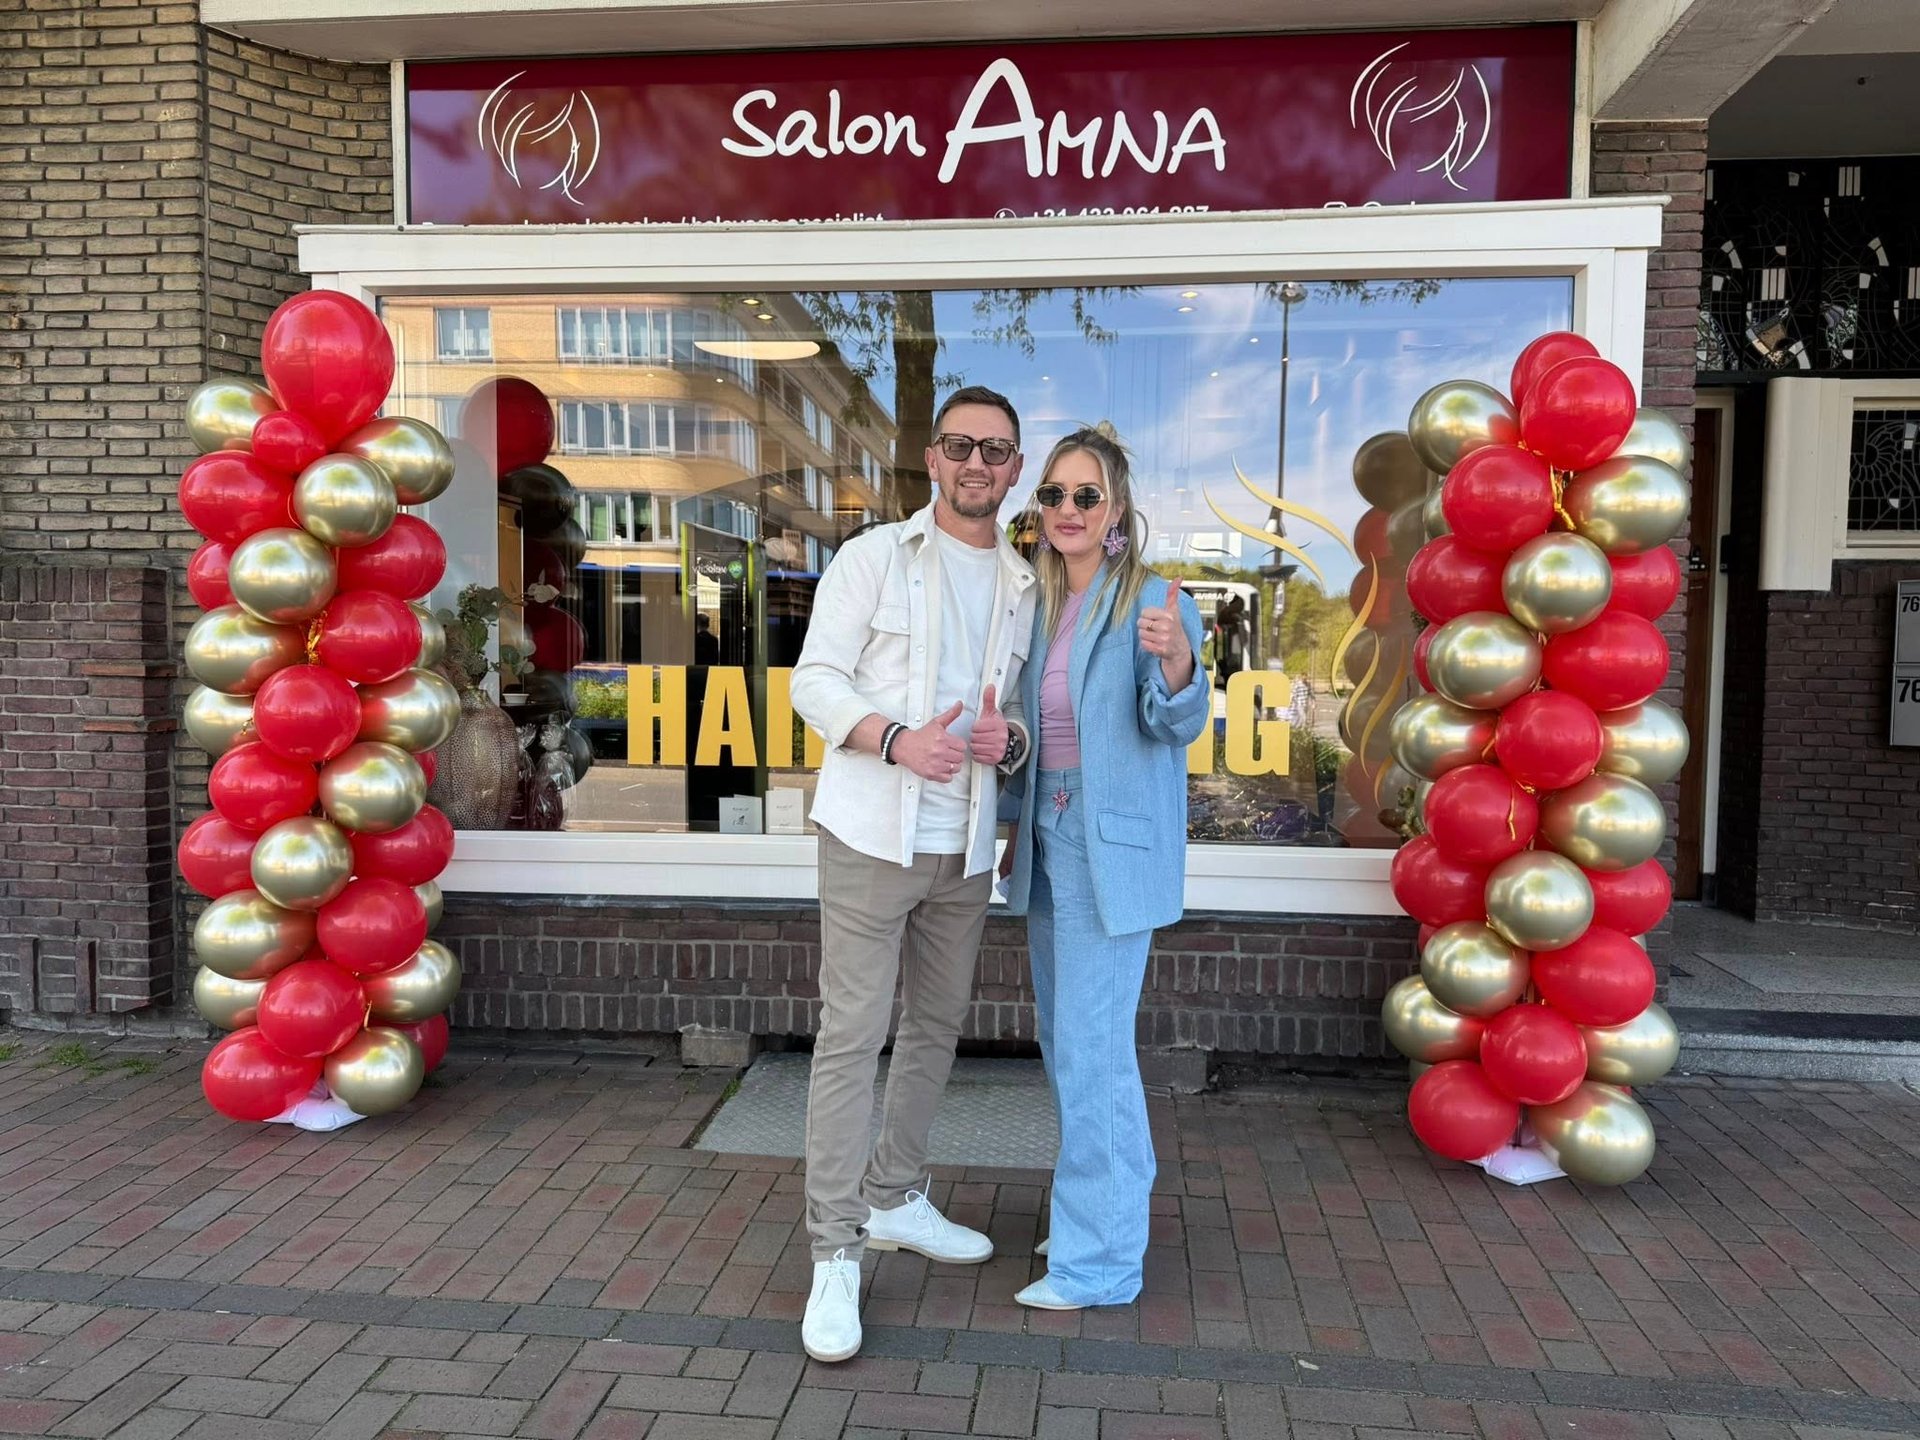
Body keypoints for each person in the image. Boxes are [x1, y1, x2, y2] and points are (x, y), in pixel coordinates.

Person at [789, 386, 1039, 1362]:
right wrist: (895, 741)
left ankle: (894, 1197)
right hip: (869, 831)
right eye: (961, 446)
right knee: (851, 1039)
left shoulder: (1022, 584)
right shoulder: (873, 559)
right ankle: (836, 1251)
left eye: (997, 451)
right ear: (932, 460)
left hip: (965, 845)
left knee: (934, 1028)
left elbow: (1013, 719)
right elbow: (814, 679)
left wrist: (1005, 738)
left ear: (1016, 471)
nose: (978, 463)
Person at [999, 424, 1208, 1310]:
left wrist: (1178, 660)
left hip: (1108, 849)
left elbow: (1177, 724)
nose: (1068, 511)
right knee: (1065, 1044)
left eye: (1086, 496)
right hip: (1047, 838)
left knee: (1094, 1052)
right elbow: (1030, 732)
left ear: (1116, 510)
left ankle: (1101, 1263)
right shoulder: (1037, 601)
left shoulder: (1156, 599)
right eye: (1054, 495)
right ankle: (1097, 1217)